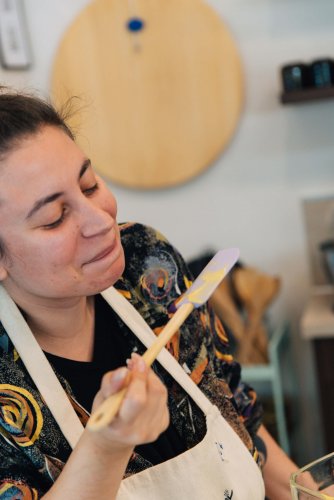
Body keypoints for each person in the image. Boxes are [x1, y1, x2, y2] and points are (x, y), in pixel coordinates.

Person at [0, 87, 297, 499]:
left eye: (88, 186)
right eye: (54, 218)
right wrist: (106, 448)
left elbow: (240, 417)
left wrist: (311, 491)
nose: (100, 221)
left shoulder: (146, 263)